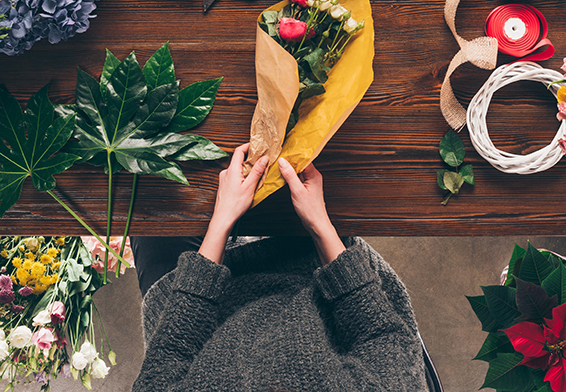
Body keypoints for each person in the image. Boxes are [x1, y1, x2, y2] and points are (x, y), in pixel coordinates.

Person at [131, 143, 429, 392]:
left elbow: (168, 357)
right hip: (312, 282)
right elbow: (380, 334)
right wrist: (318, 224)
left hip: (192, 315)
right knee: (325, 154)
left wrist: (222, 220)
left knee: (148, 170)